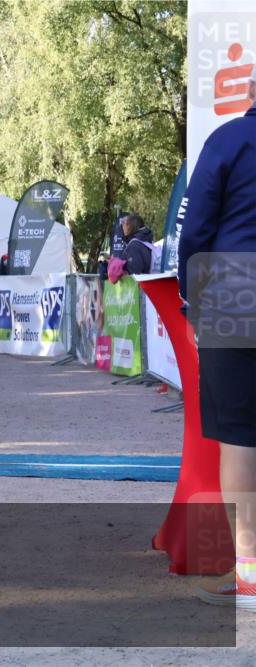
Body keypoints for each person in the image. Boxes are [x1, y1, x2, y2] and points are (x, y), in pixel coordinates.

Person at [178, 74, 256, 610]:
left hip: (234, 299)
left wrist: (192, 294)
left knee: (240, 436)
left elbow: (195, 230)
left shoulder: (228, 141)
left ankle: (250, 574)